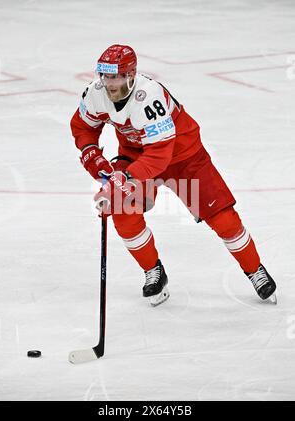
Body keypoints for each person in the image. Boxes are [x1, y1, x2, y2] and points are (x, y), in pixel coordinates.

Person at [70, 44, 277, 306]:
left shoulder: (149, 96)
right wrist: (92, 155)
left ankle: (254, 269)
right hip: (135, 154)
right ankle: (153, 270)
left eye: (117, 76)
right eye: (106, 76)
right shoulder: (95, 93)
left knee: (224, 220)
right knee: (123, 213)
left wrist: (127, 178)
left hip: (184, 156)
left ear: (131, 74)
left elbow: (160, 154)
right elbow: (82, 127)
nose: (110, 83)